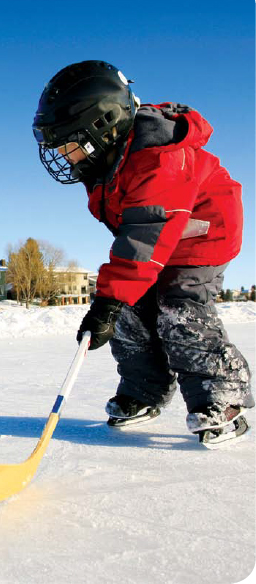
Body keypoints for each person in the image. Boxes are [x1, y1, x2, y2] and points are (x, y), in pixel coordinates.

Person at [32, 60, 253, 446]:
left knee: (177, 305)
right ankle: (145, 390)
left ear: (104, 126)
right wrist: (117, 301)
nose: (66, 156)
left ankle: (222, 398)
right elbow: (138, 237)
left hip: (203, 233)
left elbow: (145, 234)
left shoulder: (157, 159)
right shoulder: (107, 164)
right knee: (129, 310)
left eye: (71, 145)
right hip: (158, 236)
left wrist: (108, 299)